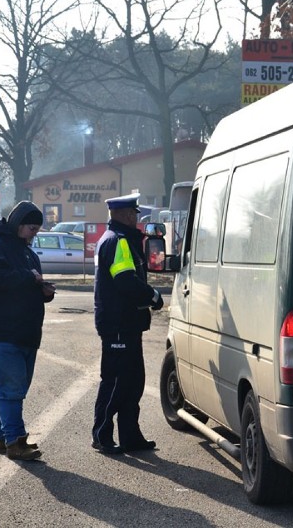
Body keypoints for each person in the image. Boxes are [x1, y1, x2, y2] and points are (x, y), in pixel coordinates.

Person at [0, 201, 56, 461]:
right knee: (12, 390)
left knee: (12, 391)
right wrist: (28, 278)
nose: (34, 234)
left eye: (37, 230)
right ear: (19, 224)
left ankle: (3, 438)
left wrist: (44, 292)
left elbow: (27, 284)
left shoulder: (27, 252)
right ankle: (16, 442)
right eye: (32, 228)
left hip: (24, 334)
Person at [92, 193, 165, 454]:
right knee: (115, 382)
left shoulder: (115, 239)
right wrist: (152, 296)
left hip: (126, 323)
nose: (136, 217)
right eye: (133, 213)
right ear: (122, 215)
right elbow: (126, 282)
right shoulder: (119, 241)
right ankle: (101, 435)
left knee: (132, 383)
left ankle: (130, 437)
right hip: (118, 324)